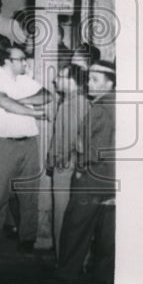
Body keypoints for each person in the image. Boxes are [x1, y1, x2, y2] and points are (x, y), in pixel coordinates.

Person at [0, 44, 51, 252]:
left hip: (29, 142)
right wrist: (34, 113)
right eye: (20, 59)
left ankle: (27, 237)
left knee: (29, 193)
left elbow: (46, 95)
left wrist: (22, 101)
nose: (24, 63)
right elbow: (4, 103)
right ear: (7, 61)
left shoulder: (24, 80)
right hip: (3, 144)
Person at [55, 60, 116, 282]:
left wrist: (80, 165)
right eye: (89, 78)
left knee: (74, 234)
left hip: (91, 181)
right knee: (107, 241)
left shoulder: (100, 109)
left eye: (95, 80)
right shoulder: (118, 104)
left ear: (110, 83)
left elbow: (92, 150)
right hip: (111, 182)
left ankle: (66, 280)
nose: (88, 83)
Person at [46, 63, 91, 257]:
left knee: (62, 214)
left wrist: (57, 159)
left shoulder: (71, 104)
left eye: (61, 77)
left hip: (66, 165)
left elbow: (69, 138)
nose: (56, 80)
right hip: (77, 165)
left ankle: (63, 260)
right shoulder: (83, 102)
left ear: (72, 81)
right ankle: (78, 259)